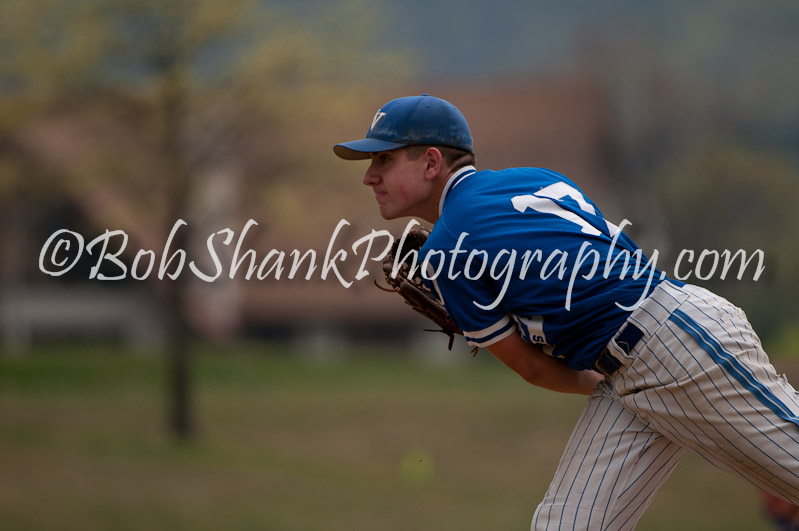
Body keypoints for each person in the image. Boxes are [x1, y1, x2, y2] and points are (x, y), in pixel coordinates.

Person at [333, 94, 799, 530]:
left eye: (384, 159)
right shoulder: (535, 178)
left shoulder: (449, 246)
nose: (369, 176)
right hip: (651, 352)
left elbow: (534, 369)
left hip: (673, 347)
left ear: (432, 161)